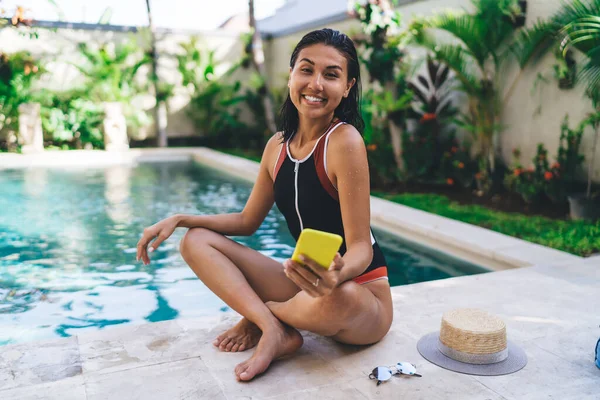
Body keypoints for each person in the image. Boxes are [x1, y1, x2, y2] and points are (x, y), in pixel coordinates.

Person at [136, 28, 393, 382]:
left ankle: (266, 318)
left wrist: (336, 274)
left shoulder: (344, 140)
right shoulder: (277, 146)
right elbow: (247, 221)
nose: (316, 84)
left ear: (347, 87)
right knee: (196, 240)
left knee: (339, 297)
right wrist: (181, 218)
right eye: (306, 69)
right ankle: (277, 329)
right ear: (291, 75)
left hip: (361, 295)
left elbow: (361, 248)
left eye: (331, 75)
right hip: (307, 285)